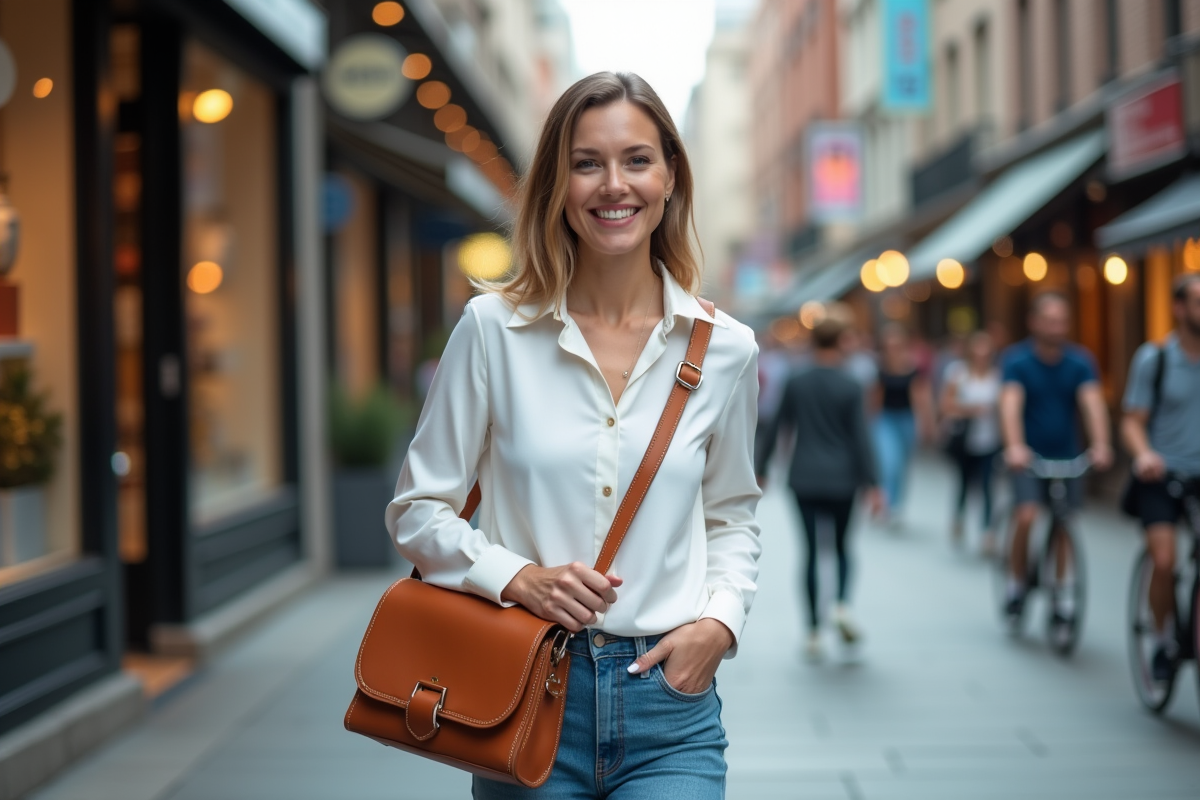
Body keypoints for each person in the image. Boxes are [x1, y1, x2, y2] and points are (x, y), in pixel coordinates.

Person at [386, 72, 762, 799]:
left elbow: (733, 515)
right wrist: (517, 576)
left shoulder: (726, 350)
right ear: (557, 184)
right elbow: (418, 509)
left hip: (670, 706)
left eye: (636, 160)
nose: (612, 185)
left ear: (671, 177)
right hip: (523, 689)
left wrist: (720, 623)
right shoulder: (492, 332)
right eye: (586, 163)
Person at [755, 313, 882, 660]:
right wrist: (874, 483)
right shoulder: (851, 384)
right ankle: (841, 605)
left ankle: (812, 629)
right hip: (844, 478)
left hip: (805, 476)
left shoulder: (797, 381)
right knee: (842, 547)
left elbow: (779, 426)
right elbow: (862, 436)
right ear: (842, 342)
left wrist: (761, 468)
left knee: (810, 552)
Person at [999, 292, 1112, 634]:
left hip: (1067, 455)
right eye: (1049, 320)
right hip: (1029, 457)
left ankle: (1061, 592)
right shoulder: (1016, 361)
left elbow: (1092, 403)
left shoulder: (1080, 362)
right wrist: (1015, 446)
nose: (1056, 327)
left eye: (1061, 320)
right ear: (1034, 322)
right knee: (1027, 513)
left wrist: (1102, 444)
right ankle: (1016, 582)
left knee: (1064, 522)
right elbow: (1010, 405)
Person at [1120, 274, 1200, 681]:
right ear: (1179, 308)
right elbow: (1132, 422)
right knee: (1164, 559)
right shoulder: (1155, 359)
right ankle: (1162, 635)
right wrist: (1145, 454)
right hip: (1162, 473)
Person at [940, 331, 1003, 553]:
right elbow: (946, 405)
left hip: (990, 440)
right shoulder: (958, 373)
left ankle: (988, 533)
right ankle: (958, 519)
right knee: (964, 484)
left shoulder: (998, 376)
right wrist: (971, 410)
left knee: (988, 486)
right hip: (965, 441)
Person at [872, 324, 935, 525]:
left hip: (906, 419)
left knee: (902, 465)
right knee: (889, 462)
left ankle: (897, 503)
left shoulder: (913, 368)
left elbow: (921, 397)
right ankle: (886, 503)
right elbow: (875, 398)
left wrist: (927, 424)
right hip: (886, 419)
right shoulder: (880, 368)